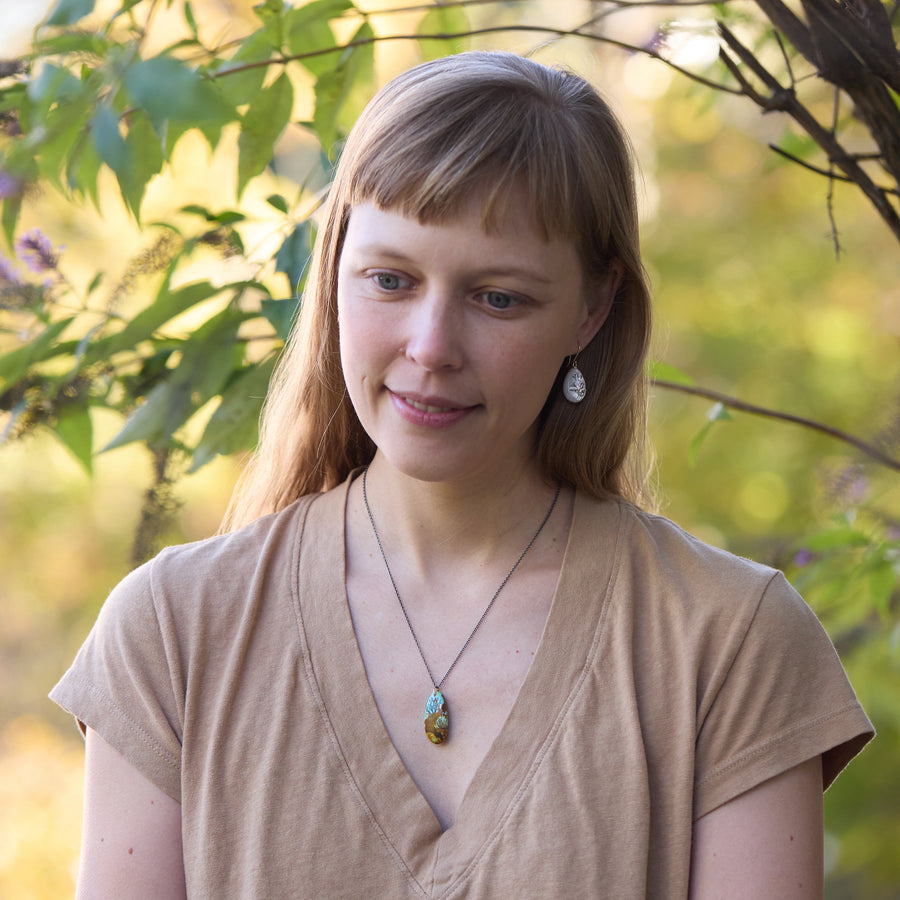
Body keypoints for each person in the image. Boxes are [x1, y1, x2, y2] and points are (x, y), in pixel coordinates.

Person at [51, 51, 873, 898]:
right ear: (334, 271)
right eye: (390, 280)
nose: (431, 347)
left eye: (499, 298)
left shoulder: (728, 642)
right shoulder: (174, 634)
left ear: (592, 310)